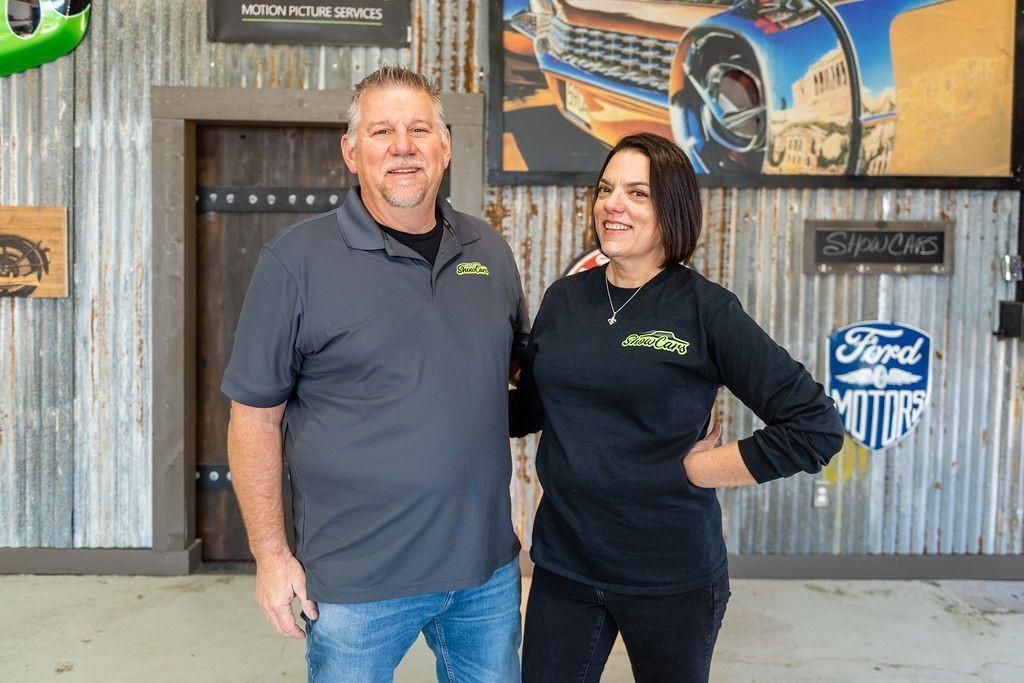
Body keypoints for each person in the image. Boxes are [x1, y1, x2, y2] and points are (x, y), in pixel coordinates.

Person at [222, 66, 528, 682]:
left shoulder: (488, 251)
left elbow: (518, 377)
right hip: (356, 582)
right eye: (382, 131)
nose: (403, 147)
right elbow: (254, 416)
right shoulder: (296, 261)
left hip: (485, 574)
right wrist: (271, 555)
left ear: (446, 145)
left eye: (419, 129)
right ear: (351, 151)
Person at [510, 132, 845, 682]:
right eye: (605, 189)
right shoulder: (564, 299)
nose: (612, 204)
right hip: (565, 565)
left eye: (637, 193)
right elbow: (531, 412)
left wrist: (702, 469)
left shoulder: (705, 310)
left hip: (669, 575)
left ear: (673, 210)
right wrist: (439, 398)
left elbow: (816, 427)